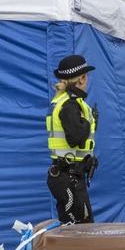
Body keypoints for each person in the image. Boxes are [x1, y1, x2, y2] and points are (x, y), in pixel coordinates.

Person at [46, 54, 97, 224]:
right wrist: (87, 122)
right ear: (81, 79)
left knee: (75, 227)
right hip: (69, 176)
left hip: (68, 175)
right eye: (86, 76)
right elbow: (76, 137)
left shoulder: (64, 101)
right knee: (81, 230)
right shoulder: (70, 105)